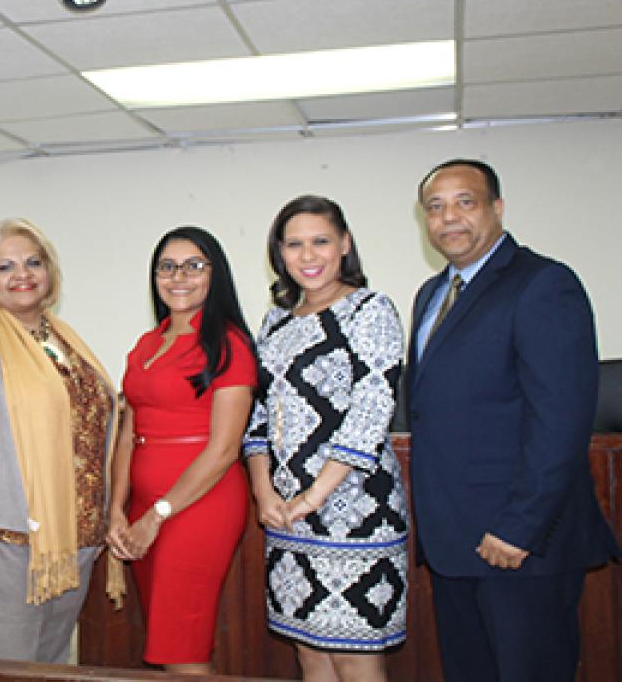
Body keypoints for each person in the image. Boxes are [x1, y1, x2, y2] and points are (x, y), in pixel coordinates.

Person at [407, 159, 620, 682]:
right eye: (435, 207)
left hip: (518, 545)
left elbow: (562, 419)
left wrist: (518, 527)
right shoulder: (431, 295)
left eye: (465, 203)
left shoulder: (543, 283)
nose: (448, 218)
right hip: (455, 543)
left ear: (497, 209)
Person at [0, 218, 120, 663]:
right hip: (4, 544)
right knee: (3, 668)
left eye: (33, 262)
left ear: (50, 272)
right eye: (5, 267)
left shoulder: (64, 341)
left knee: (52, 667)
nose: (22, 275)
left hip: (73, 541)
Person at [242, 196, 409, 682]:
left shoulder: (370, 310)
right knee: (309, 652)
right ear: (279, 253)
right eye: (294, 244)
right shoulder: (275, 322)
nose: (308, 256)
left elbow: (373, 408)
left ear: (345, 245)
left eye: (320, 241)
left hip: (357, 511)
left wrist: (316, 494)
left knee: (355, 657)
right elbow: (257, 416)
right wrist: (264, 490)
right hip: (288, 514)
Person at [106, 226, 255, 675]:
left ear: (215, 275)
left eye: (194, 266)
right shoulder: (147, 345)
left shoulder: (228, 344)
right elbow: (129, 430)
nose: (179, 277)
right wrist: (117, 509)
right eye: (167, 267)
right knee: (164, 639)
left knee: (181, 647)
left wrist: (157, 515)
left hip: (198, 506)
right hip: (143, 507)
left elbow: (225, 449)